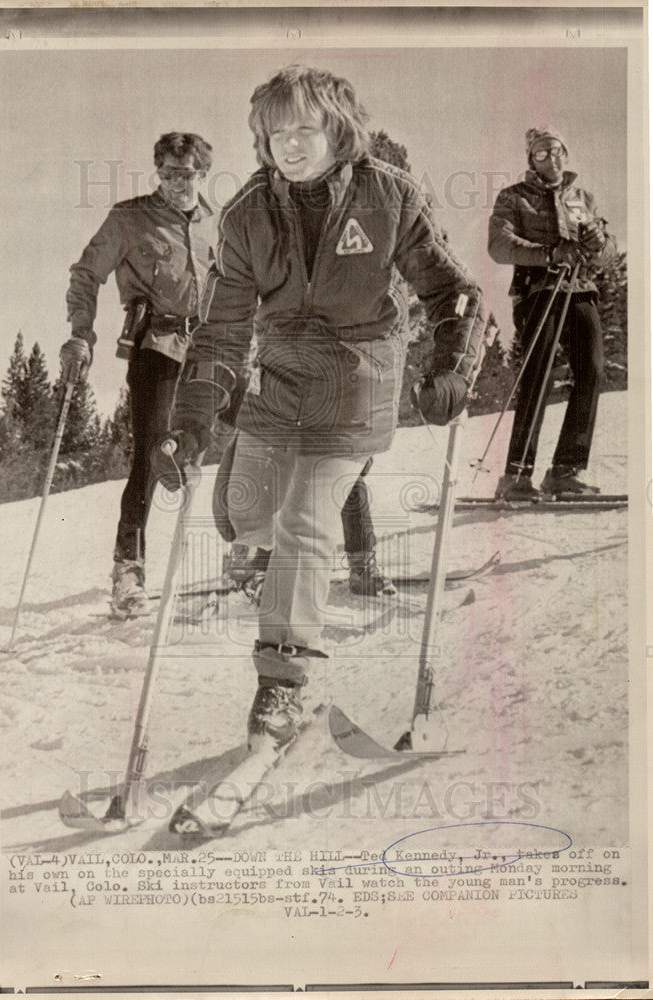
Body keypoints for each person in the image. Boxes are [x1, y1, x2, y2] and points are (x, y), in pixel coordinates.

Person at [162, 65, 485, 750]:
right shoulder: (247, 213)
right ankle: (271, 550)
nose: (291, 145)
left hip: (356, 376)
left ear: (338, 129)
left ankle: (281, 684)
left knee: (306, 521)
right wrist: (190, 423)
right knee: (246, 515)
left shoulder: (388, 195)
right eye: (276, 133)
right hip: (279, 378)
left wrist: (452, 370)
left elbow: (454, 294)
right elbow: (221, 330)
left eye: (305, 129)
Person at [60, 132, 218, 617]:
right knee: (152, 456)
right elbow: (87, 273)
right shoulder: (130, 217)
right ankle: (128, 570)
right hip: (156, 348)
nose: (175, 183)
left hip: (208, 350)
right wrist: (81, 334)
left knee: (242, 439)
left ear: (201, 173)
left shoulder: (218, 224)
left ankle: (251, 552)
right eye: (166, 173)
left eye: (185, 174)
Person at [488, 126, 616, 500]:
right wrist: (548, 253)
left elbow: (606, 253)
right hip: (539, 289)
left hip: (578, 289)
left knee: (591, 369)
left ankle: (566, 469)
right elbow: (499, 245)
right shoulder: (514, 197)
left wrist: (599, 244)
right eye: (541, 153)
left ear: (566, 154)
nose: (551, 158)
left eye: (556, 150)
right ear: (531, 159)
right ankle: (517, 474)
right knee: (538, 375)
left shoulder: (582, 198)